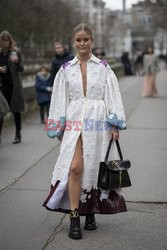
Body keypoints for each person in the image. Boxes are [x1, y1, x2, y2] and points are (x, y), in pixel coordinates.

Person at [43, 23, 127, 240]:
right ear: (74, 42)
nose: (82, 43)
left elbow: (112, 94)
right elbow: (59, 97)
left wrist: (115, 124)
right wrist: (58, 126)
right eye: (78, 40)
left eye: (85, 39)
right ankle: (74, 215)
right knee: (75, 166)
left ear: (92, 41)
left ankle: (90, 210)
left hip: (98, 122)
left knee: (92, 166)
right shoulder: (65, 69)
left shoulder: (103, 67)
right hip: (74, 122)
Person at [0, 31, 24, 144]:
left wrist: (17, 62)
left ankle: (18, 133)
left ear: (10, 40)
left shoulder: (15, 51)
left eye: (7, 40)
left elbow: (21, 69)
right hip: (2, 85)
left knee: (16, 110)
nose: (5, 42)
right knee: (1, 111)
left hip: (14, 85)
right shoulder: (0, 53)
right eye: (3, 40)